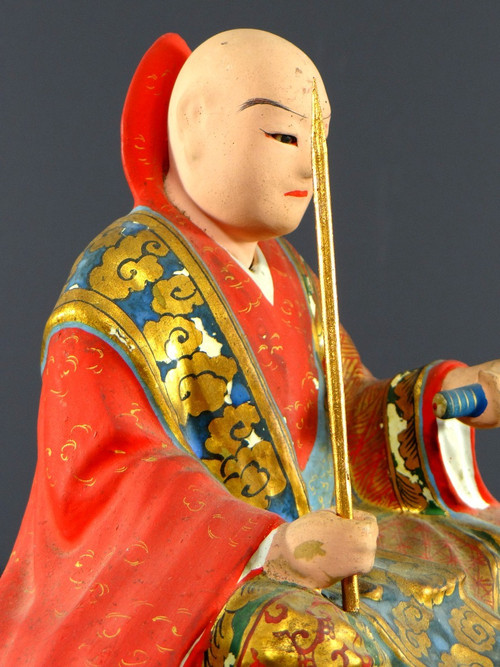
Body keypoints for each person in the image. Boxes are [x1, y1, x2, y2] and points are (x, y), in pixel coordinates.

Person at [0, 29, 498, 665]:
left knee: (484, 563)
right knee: (316, 647)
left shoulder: (289, 272)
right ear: (192, 126)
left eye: (318, 143)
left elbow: (341, 413)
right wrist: (272, 547)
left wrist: (447, 398)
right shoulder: (118, 276)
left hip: (329, 534)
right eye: (286, 138)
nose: (310, 168)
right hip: (216, 574)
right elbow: (105, 473)